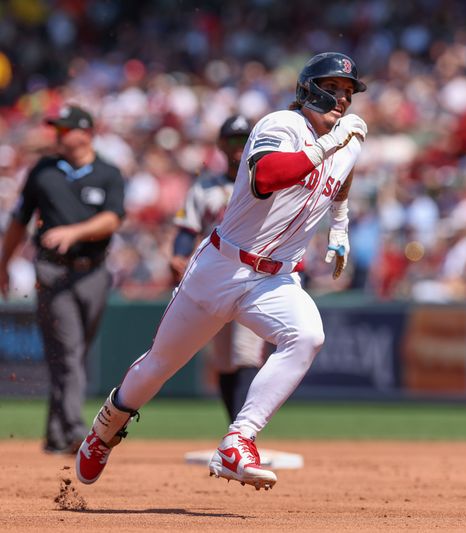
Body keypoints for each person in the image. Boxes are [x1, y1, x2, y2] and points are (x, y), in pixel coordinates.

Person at [75, 52, 368, 490]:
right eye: (334, 87)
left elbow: (342, 176)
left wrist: (340, 223)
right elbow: (267, 176)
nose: (342, 99)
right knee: (159, 366)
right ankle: (104, 430)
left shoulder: (347, 139)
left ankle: (238, 440)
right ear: (307, 88)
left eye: (348, 92)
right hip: (222, 265)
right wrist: (329, 144)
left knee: (308, 336)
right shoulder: (279, 126)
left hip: (275, 278)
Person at [0, 105, 125, 454]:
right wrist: (3, 263)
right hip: (53, 271)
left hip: (94, 271)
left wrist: (74, 231)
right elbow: (18, 220)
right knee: (68, 354)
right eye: (57, 128)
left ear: (86, 132)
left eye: (65, 128)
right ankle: (73, 432)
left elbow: (113, 219)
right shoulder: (43, 171)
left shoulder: (107, 173)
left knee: (72, 354)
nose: (59, 134)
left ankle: (55, 433)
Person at [171, 114, 269, 423]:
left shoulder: (263, 181)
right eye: (233, 140)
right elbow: (187, 229)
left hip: (253, 275)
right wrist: (178, 255)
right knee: (225, 359)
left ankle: (244, 433)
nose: (238, 147)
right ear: (221, 145)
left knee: (246, 353)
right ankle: (235, 429)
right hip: (215, 275)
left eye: (244, 139)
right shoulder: (205, 186)